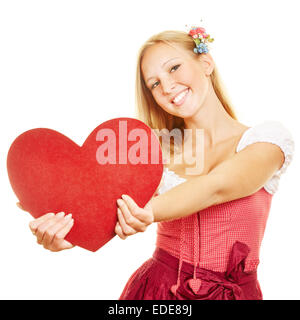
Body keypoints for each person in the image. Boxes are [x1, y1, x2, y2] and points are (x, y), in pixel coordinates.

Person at [18, 26, 295, 300]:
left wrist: (148, 213)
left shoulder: (267, 140)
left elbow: (217, 186)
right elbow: (104, 206)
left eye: (173, 68)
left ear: (206, 62)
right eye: (154, 83)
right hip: (156, 292)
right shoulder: (152, 152)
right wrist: (68, 232)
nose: (167, 86)